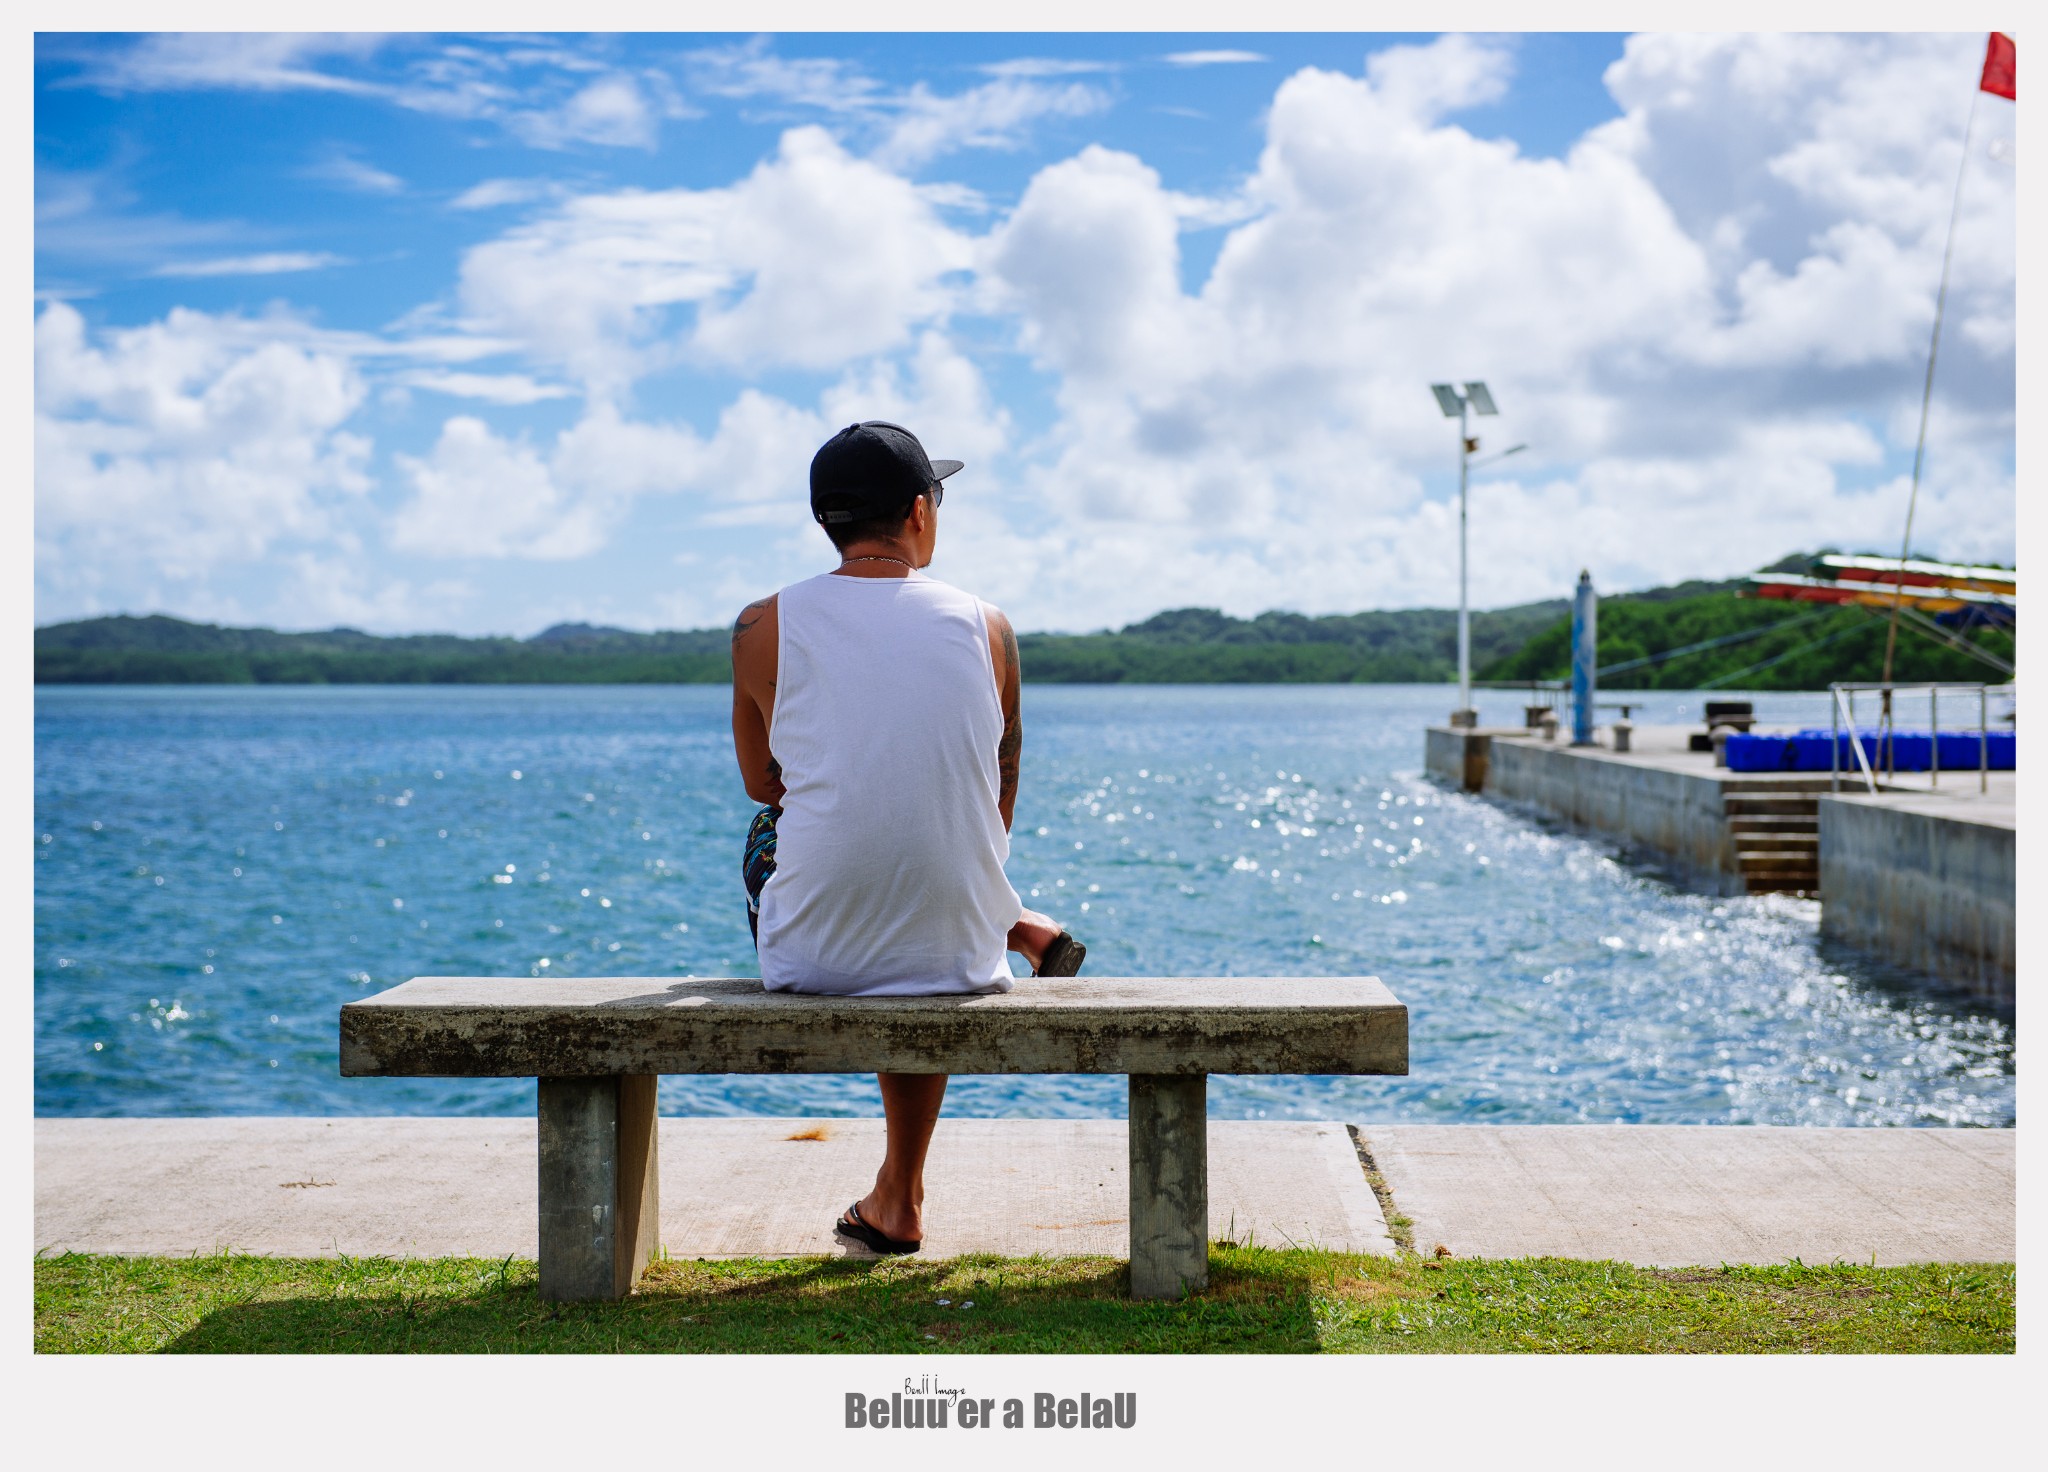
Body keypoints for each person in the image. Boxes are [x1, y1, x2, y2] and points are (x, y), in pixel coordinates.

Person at [729, 419, 1085, 1257]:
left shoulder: (760, 625)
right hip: (954, 942)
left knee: (770, 829)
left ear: (828, 522)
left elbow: (763, 786)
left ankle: (898, 1199)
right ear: (920, 511)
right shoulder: (987, 625)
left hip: (811, 953)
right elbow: (997, 800)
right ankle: (1011, 920)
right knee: (942, 846)